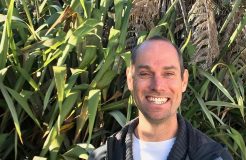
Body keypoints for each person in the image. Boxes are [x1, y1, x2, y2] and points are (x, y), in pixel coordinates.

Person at [89, 36, 233, 160]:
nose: (157, 86)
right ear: (130, 79)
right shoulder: (103, 156)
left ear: (184, 81)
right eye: (145, 73)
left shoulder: (213, 156)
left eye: (169, 74)